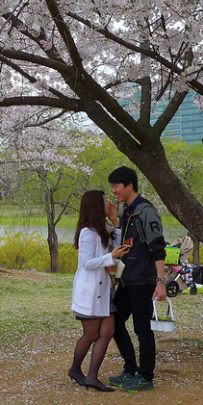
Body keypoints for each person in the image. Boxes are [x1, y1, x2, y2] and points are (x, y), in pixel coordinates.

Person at [107, 166, 167, 392]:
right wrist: (114, 219)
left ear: (129, 185)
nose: (114, 191)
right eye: (112, 186)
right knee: (114, 322)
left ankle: (146, 376)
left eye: (116, 186)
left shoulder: (145, 211)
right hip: (127, 278)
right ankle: (130, 369)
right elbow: (125, 242)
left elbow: (158, 248)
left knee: (142, 329)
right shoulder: (127, 211)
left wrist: (160, 282)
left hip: (143, 279)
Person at [69, 190, 130, 392]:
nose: (109, 203)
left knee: (107, 331)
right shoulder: (88, 232)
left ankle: (92, 375)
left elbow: (118, 247)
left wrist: (115, 220)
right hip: (90, 291)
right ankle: (76, 369)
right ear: (96, 206)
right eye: (104, 201)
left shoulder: (102, 228)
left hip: (105, 291)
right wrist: (109, 257)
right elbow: (85, 263)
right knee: (91, 333)